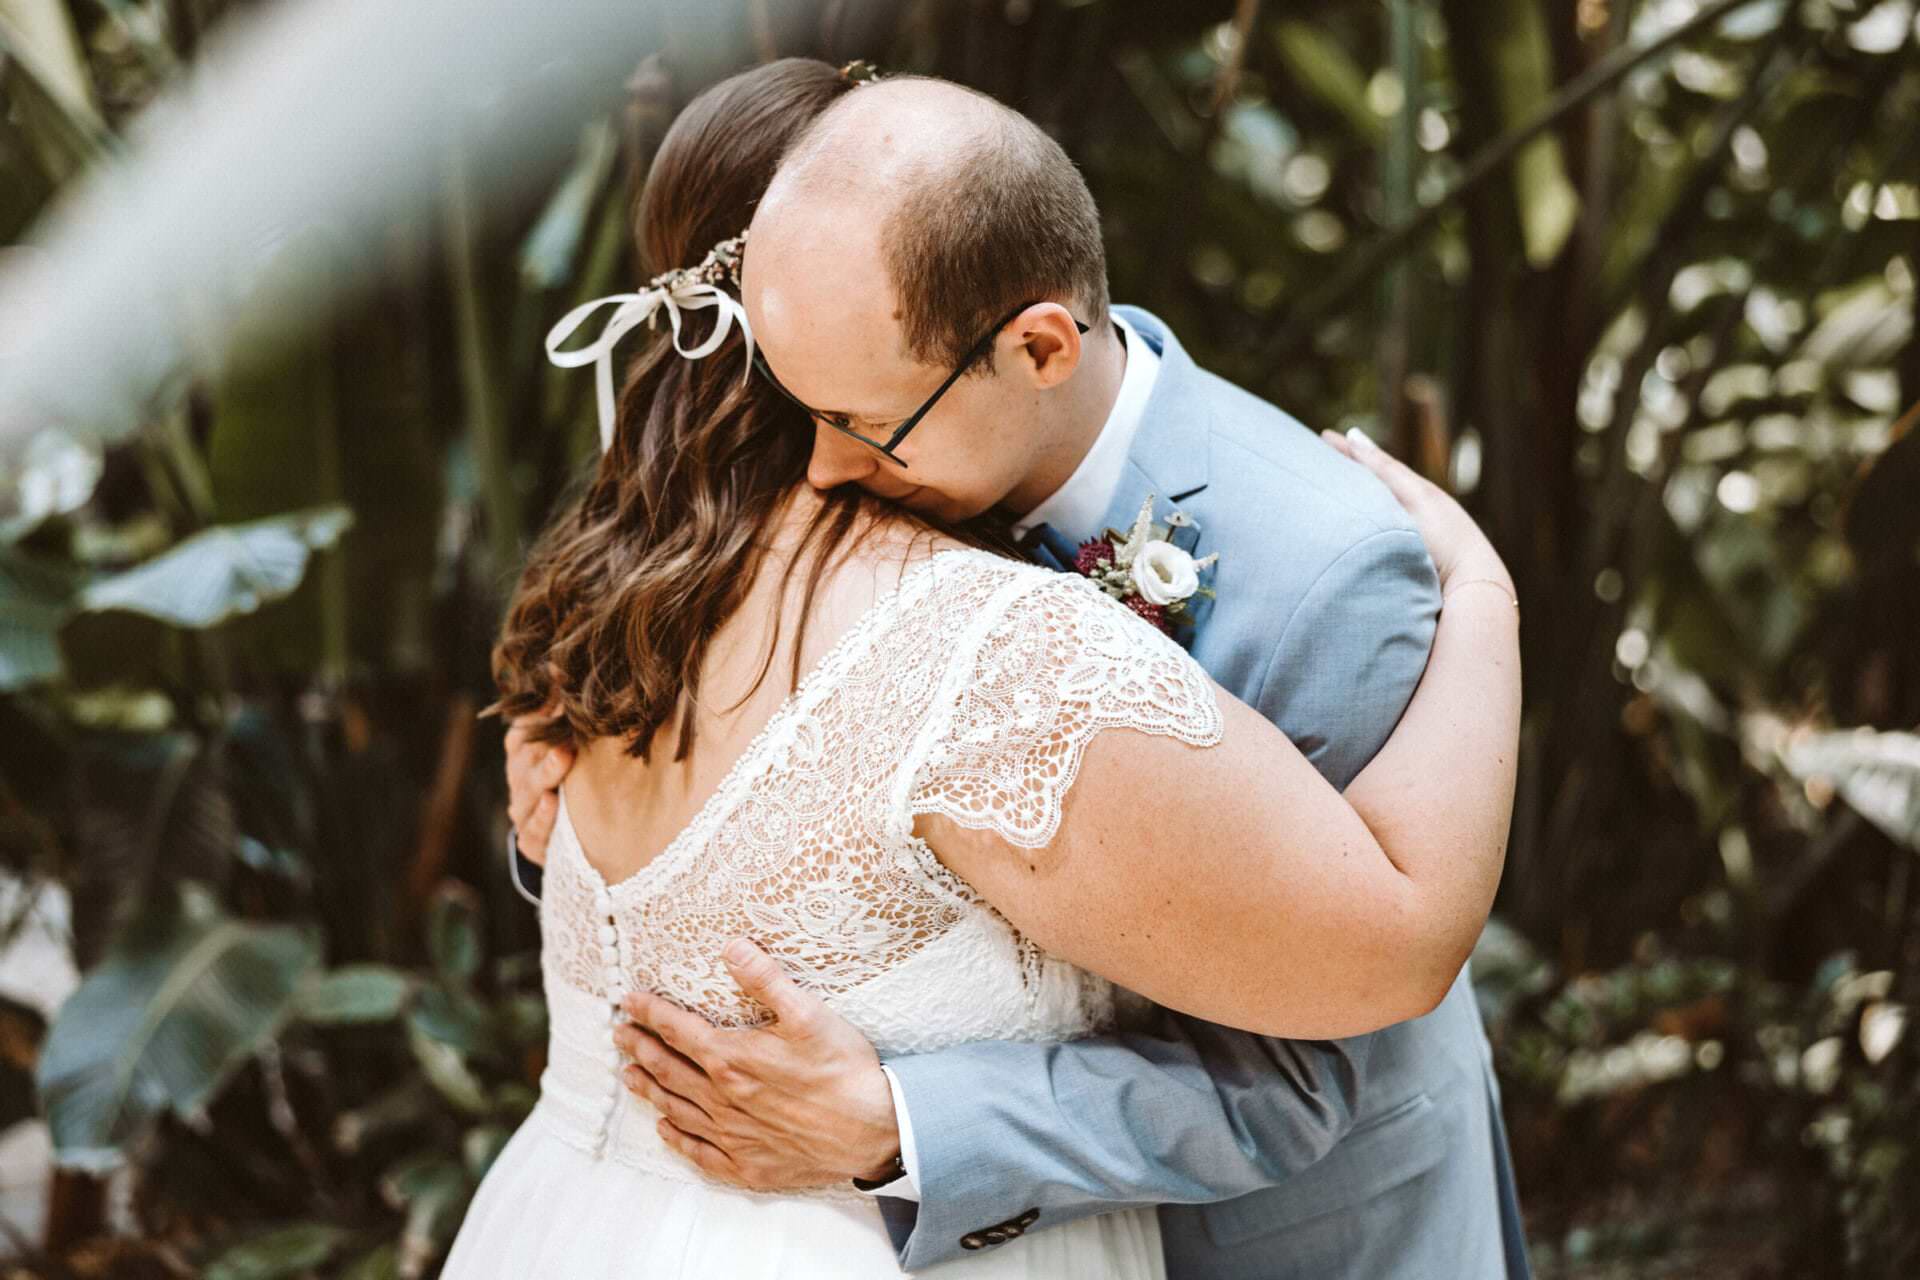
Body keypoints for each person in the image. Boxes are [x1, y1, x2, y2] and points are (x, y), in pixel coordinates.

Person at [479, 58, 1524, 1280]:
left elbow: (1309, 1054)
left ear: (1035, 348)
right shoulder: (707, 561)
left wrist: (906, 1126)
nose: (821, 465)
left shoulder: (1316, 567)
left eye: (866, 423)